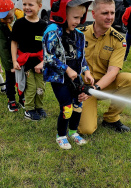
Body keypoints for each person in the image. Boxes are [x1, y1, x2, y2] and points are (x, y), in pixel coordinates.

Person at [78, 0, 131, 134]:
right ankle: (72, 106)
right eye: (105, 13)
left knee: (130, 80)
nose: (110, 17)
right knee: (86, 130)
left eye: (112, 13)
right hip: (80, 88)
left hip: (100, 87)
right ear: (93, 14)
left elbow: (113, 72)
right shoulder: (79, 34)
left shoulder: (118, 40)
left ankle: (111, 119)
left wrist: (95, 88)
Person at [43, 0, 94, 149]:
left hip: (75, 77)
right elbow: (49, 57)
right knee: (67, 107)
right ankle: (61, 135)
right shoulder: (52, 32)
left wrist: (86, 71)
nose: (78, 22)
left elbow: (81, 57)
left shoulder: (78, 35)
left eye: (81, 18)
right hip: (59, 78)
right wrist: (66, 69)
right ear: (63, 14)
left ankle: (73, 132)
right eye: (75, 18)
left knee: (78, 104)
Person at [11, 0, 47, 120]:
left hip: (40, 61)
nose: (27, 7)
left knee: (41, 87)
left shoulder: (43, 25)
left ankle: (39, 107)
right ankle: (29, 109)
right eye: (25, 4)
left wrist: (43, 63)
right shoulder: (19, 23)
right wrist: (14, 61)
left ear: (39, 6)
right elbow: (14, 42)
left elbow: (47, 45)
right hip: (25, 61)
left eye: (30, 5)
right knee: (30, 87)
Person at [0, 0, 25, 112]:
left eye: (10, 17)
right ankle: (11, 99)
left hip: (22, 55)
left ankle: (22, 97)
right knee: (10, 79)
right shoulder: (0, 25)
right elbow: (3, 47)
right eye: (4, 18)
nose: (7, 20)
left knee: (23, 78)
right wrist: (10, 65)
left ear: (14, 10)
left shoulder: (22, 18)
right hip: (9, 58)